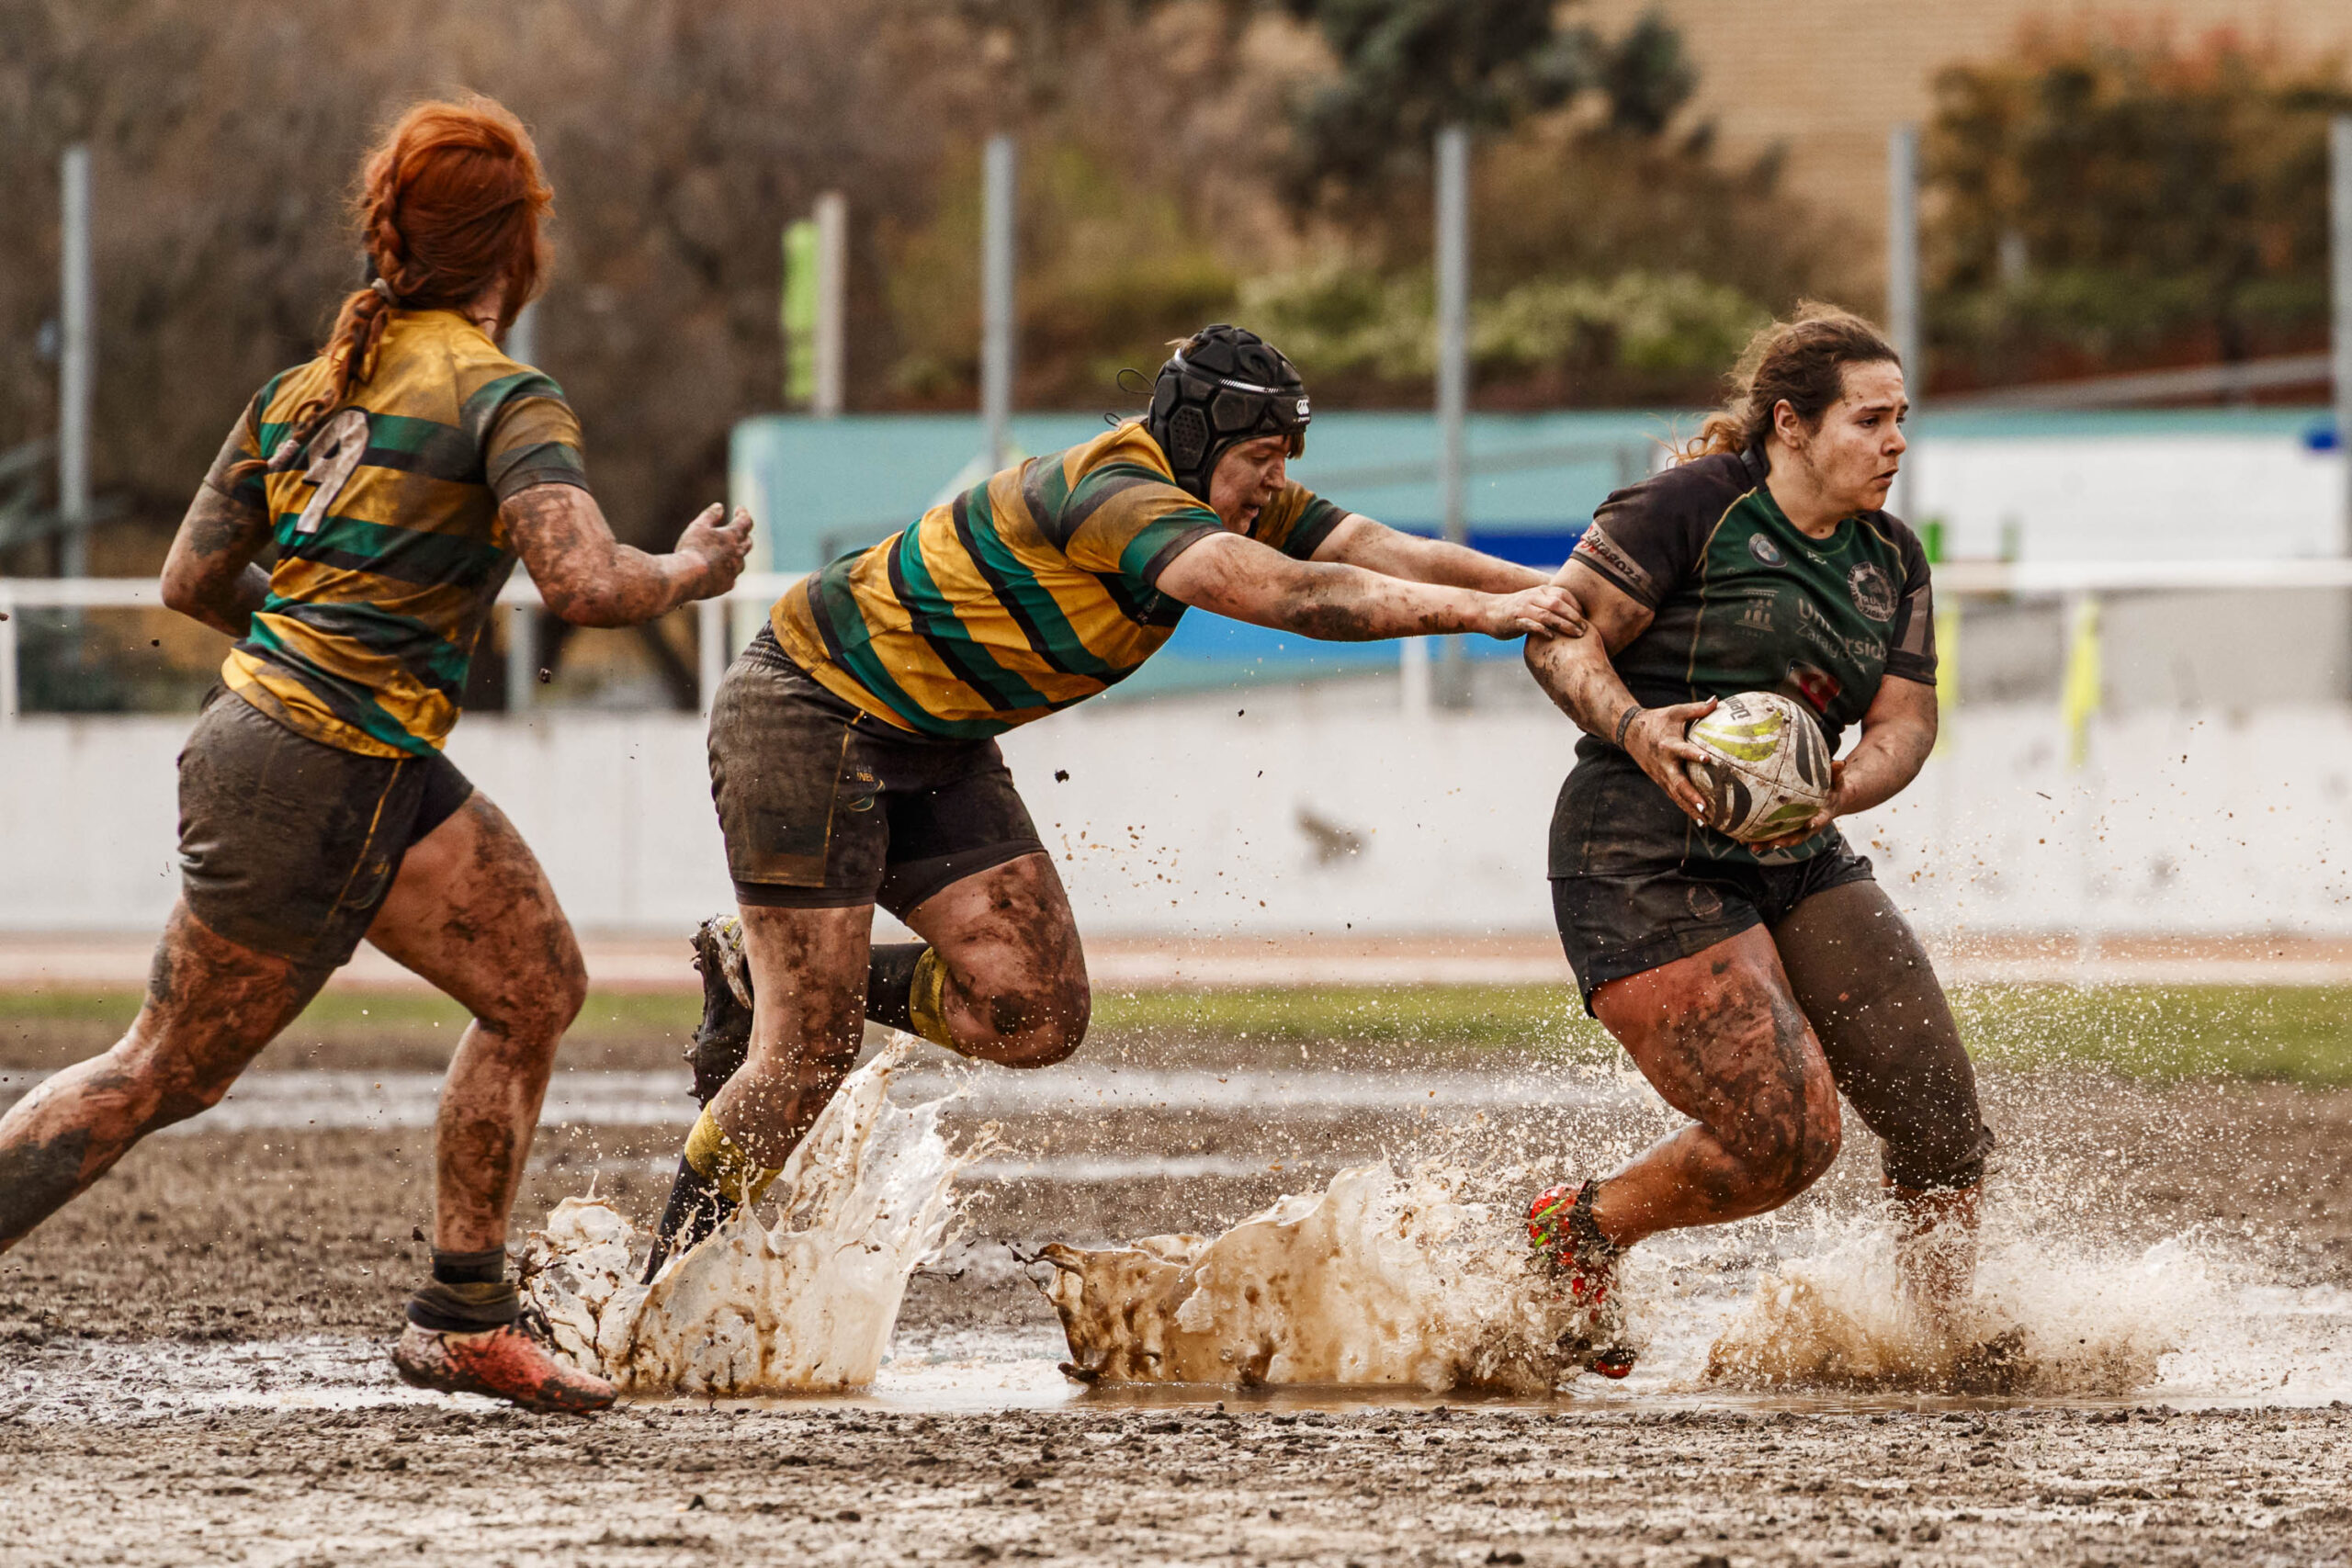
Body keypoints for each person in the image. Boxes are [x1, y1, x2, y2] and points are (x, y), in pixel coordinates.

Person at [0, 97, 753, 1413]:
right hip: (320, 765)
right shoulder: (504, 394)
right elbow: (579, 579)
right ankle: (459, 1312)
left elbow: (190, 576)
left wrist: (307, 646)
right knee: (160, 1072)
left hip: (316, 750)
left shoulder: (303, 389)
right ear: (518, 249)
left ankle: (462, 1312)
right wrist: (692, 569)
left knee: (537, 985)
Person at [641, 324, 1588, 1275]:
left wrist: (1560, 594)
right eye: (1260, 458)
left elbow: (1388, 552)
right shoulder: (1112, 495)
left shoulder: (1225, 497)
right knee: (809, 1052)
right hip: (809, 706)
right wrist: (1490, 617)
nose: (1273, 482)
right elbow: (1297, 599)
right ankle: (663, 1288)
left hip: (933, 737)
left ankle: (751, 969)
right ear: (1196, 440)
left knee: (1034, 1012)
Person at [1520, 303, 1994, 1381]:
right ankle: (1581, 1229)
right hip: (1638, 848)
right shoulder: (1692, 505)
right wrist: (1639, 729)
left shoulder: (1892, 558)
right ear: (1789, 424)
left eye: (1901, 419)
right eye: (1869, 420)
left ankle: (1940, 1345)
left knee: (1938, 1121)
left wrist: (1833, 791)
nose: (1895, 442)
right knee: (1787, 1134)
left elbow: (1905, 724)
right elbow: (1559, 636)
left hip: (1795, 846)